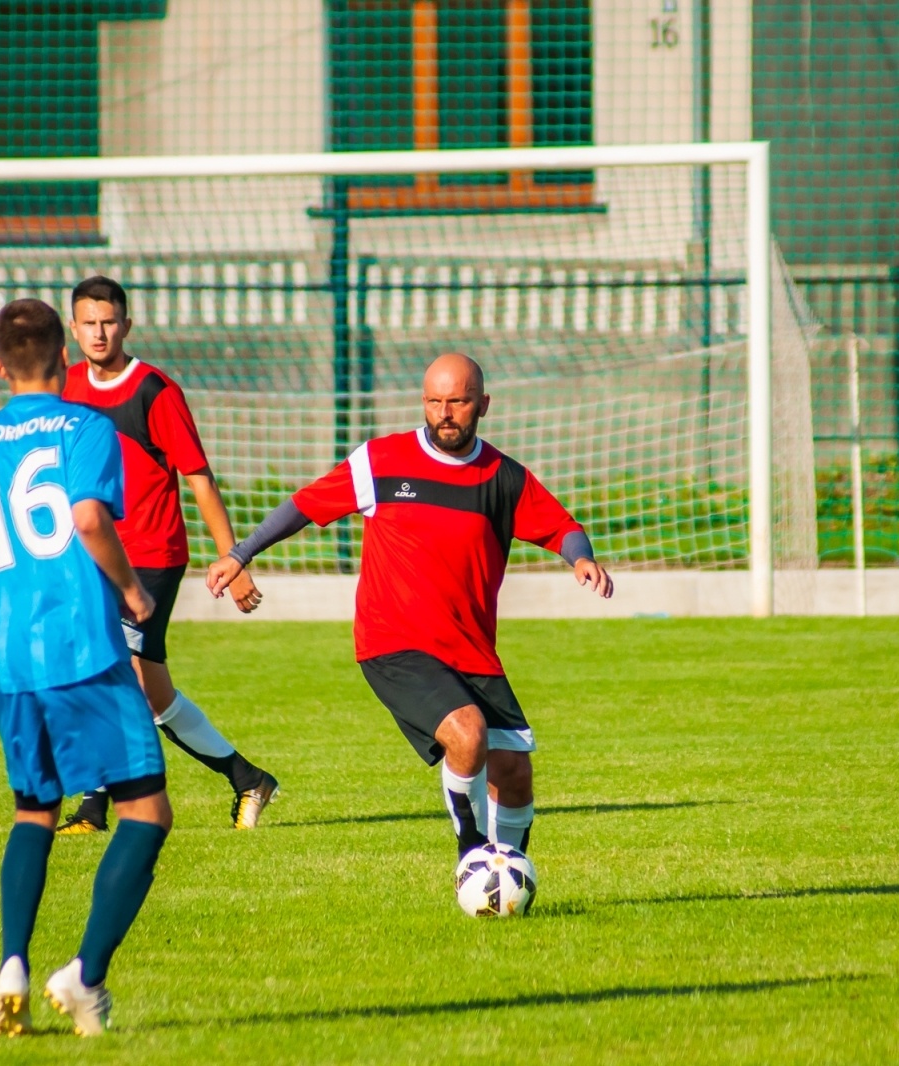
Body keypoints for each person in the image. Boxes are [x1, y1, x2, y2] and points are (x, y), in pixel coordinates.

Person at [208, 353, 614, 875]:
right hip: (393, 642)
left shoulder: (503, 477)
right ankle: (471, 855)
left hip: (470, 649)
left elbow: (561, 525)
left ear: (482, 405)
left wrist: (581, 558)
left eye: (458, 402)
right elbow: (304, 506)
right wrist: (240, 553)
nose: (445, 413)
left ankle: (507, 873)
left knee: (512, 772)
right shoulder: (381, 462)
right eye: (435, 401)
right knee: (467, 735)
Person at [0, 299, 169, 1037]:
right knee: (147, 813)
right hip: (84, 649)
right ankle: (83, 977)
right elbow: (88, 518)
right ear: (62, 360)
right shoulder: (86, 428)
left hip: (10, 662)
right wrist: (131, 590)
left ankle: (13, 962)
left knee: (35, 811)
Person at [58, 275, 278, 833]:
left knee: (121, 676)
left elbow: (199, 479)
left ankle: (93, 806)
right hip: (92, 555)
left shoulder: (155, 391)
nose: (100, 332)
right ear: (74, 328)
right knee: (147, 689)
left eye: (109, 321)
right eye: (89, 322)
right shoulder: (66, 388)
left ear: (126, 325)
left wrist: (235, 560)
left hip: (151, 558)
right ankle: (247, 778)